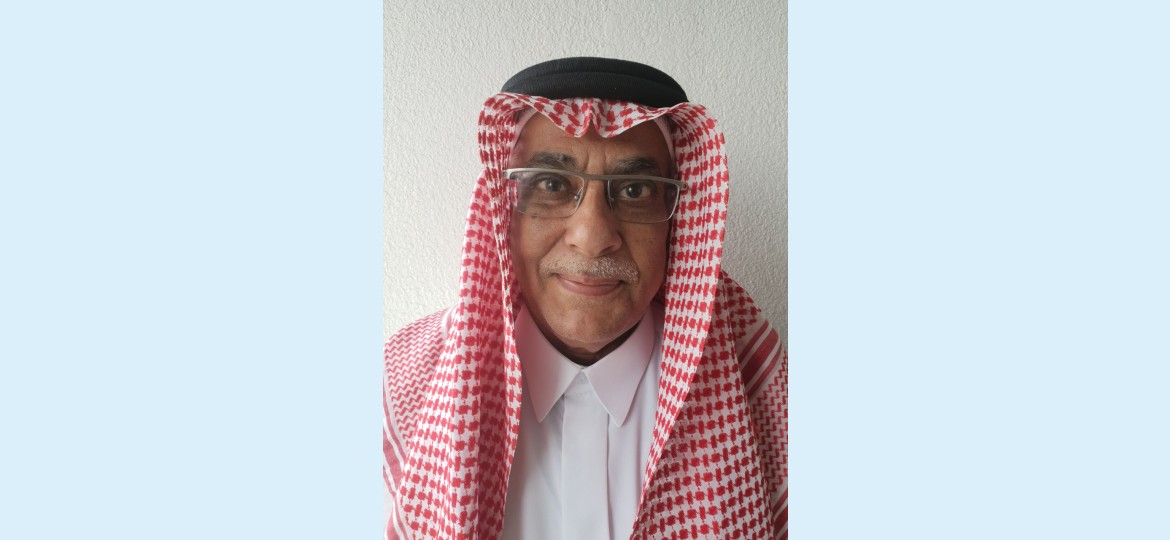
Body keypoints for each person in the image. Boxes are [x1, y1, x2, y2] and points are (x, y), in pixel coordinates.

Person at [384, 57, 787, 540]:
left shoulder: (761, 391)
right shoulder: (398, 391)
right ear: (503, 210)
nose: (593, 237)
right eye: (552, 185)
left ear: (678, 221)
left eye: (635, 190)